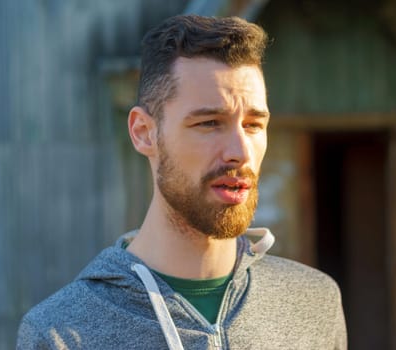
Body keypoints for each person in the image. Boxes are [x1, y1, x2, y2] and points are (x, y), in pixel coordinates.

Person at [17, 15, 347, 349]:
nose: (240, 153)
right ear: (144, 133)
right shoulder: (61, 332)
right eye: (209, 123)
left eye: (252, 125)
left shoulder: (315, 304)